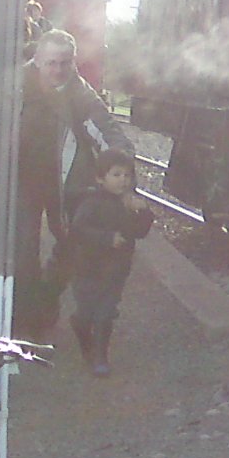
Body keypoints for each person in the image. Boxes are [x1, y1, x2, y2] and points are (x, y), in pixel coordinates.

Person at [13, 29, 130, 343]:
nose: (58, 70)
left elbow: (108, 131)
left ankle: (47, 295)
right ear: (37, 60)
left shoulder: (80, 94)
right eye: (51, 63)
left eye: (64, 63)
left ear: (73, 62)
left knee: (72, 243)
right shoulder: (16, 85)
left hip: (65, 182)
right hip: (23, 180)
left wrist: (123, 170)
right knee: (23, 248)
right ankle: (27, 316)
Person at [59, 150, 154, 375]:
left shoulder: (129, 204)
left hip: (116, 269)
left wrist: (144, 213)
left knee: (106, 312)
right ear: (100, 178)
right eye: (116, 175)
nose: (123, 180)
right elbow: (77, 229)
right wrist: (106, 238)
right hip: (87, 268)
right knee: (87, 311)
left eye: (127, 175)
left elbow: (140, 232)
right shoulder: (91, 202)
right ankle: (81, 329)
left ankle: (100, 356)